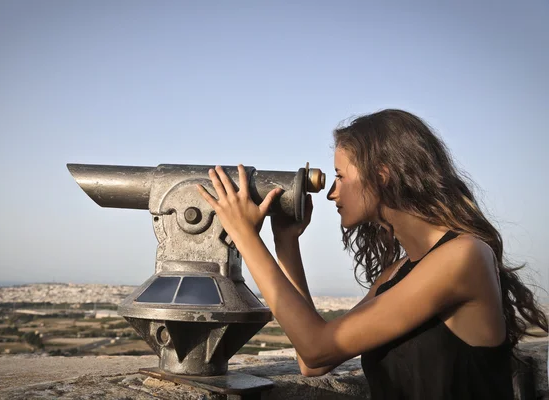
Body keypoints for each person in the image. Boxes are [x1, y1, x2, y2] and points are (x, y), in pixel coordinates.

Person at [196, 109, 548, 400]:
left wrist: (244, 236)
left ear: (381, 176)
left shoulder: (464, 257)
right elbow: (313, 361)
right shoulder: (394, 275)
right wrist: (286, 243)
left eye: (339, 176)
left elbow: (318, 348)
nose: (332, 192)